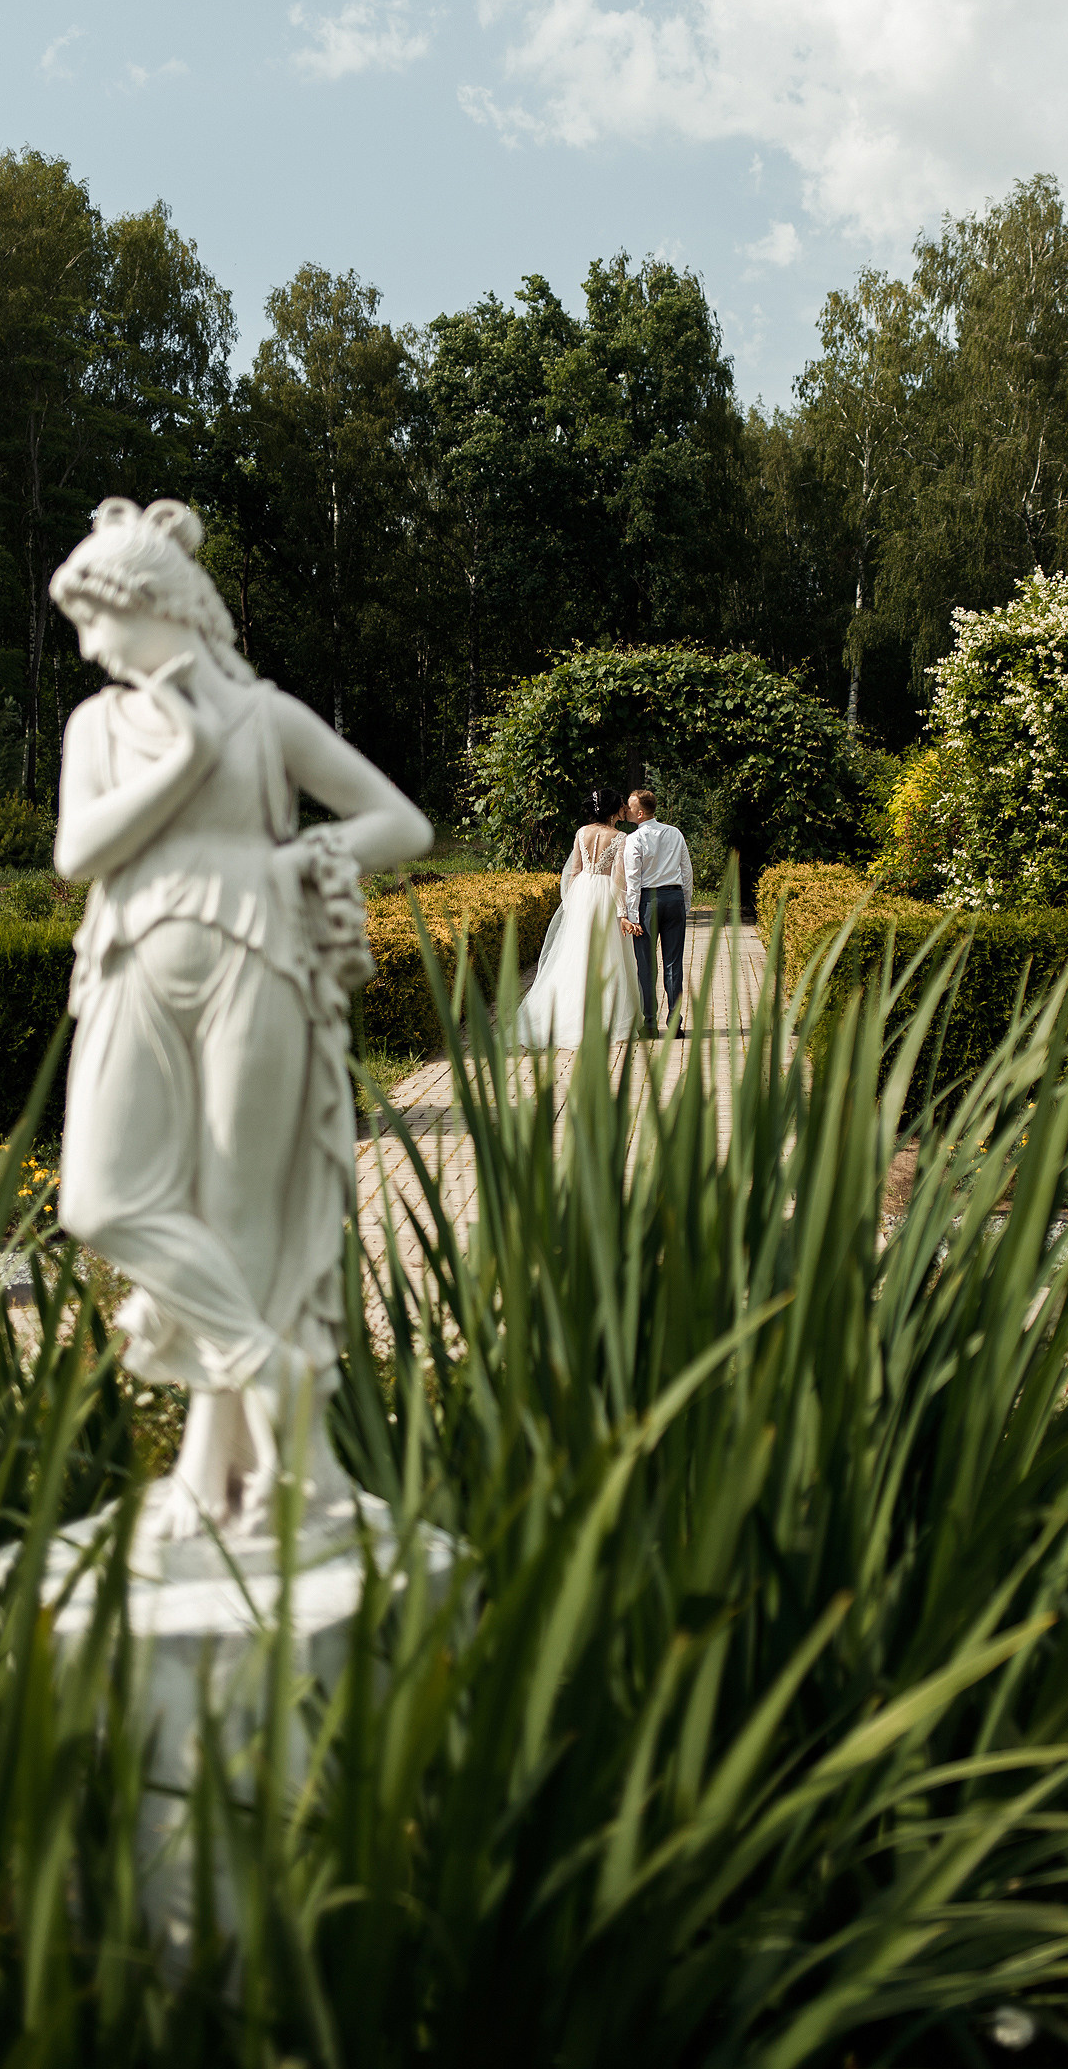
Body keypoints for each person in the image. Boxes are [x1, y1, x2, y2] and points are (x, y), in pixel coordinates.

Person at [49, 497, 432, 1541]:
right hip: (131, 965)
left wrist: (309, 856)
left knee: (239, 1221)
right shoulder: (101, 725)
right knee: (100, 1200)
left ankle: (223, 1477)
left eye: (96, 620)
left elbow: (401, 819)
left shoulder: (266, 719)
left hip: (257, 967)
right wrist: (178, 764)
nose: (88, 647)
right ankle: (281, 1382)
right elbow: (79, 856)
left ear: (152, 602)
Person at [515, 789, 641, 1047]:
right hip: (605, 893)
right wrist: (622, 912)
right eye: (620, 806)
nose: (623, 810)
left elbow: (574, 871)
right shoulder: (620, 837)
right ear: (613, 810)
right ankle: (605, 1015)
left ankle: (567, 1012)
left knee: (577, 953)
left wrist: (571, 904)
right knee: (607, 953)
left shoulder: (581, 833)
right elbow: (619, 879)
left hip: (582, 892)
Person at [620, 787, 692, 1036]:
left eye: (629, 807)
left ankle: (650, 1023)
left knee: (647, 965)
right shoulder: (675, 833)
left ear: (640, 813)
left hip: (648, 901)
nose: (627, 810)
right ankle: (675, 1023)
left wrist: (632, 915)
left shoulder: (634, 840)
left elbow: (633, 879)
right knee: (674, 963)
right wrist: (685, 904)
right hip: (674, 898)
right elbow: (686, 871)